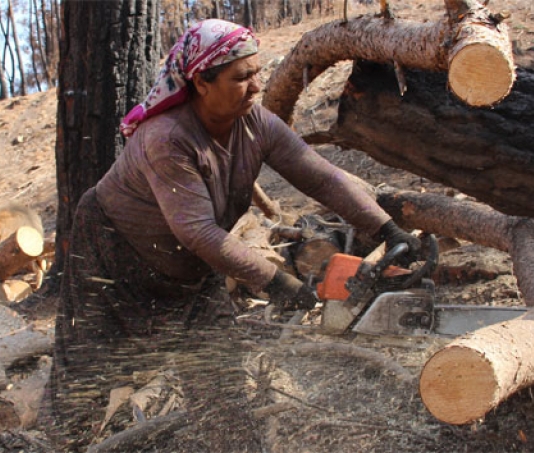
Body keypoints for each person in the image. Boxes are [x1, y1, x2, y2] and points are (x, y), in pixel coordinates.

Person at [42, 19, 420, 451]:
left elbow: (322, 177)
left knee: (218, 374)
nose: (256, 86)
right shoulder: (167, 138)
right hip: (111, 255)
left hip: (190, 264)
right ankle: (56, 445)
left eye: (257, 72)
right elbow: (198, 230)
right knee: (87, 369)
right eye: (242, 77)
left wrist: (387, 229)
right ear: (202, 81)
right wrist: (279, 282)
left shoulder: (255, 123)